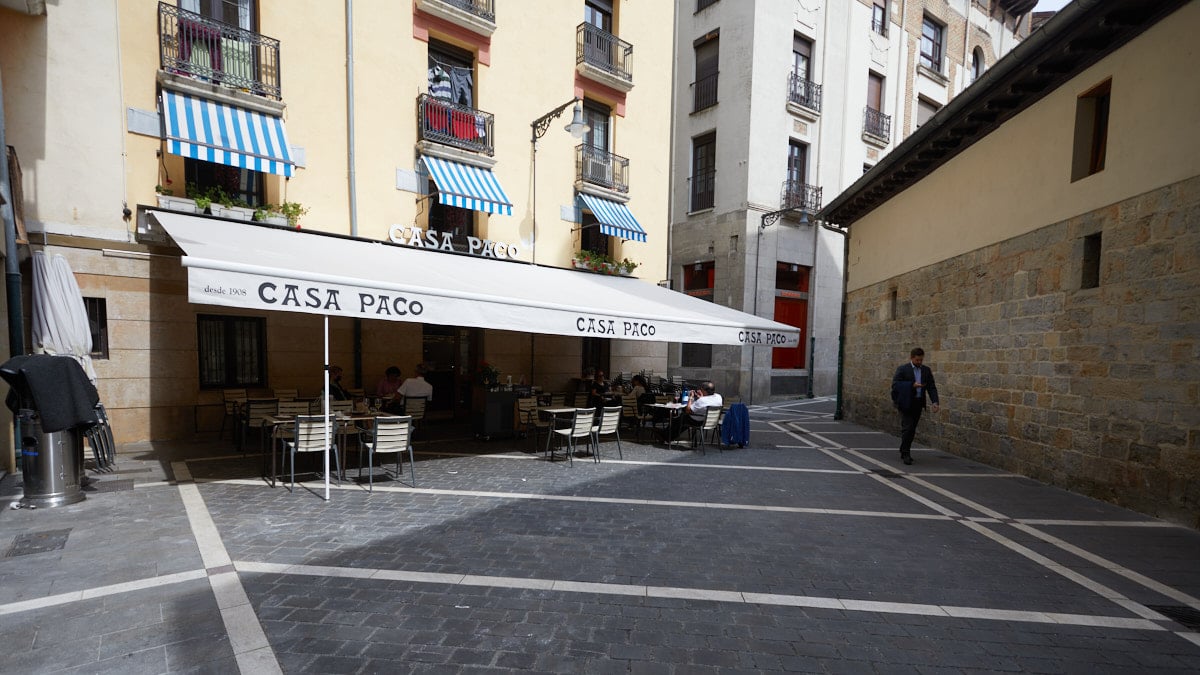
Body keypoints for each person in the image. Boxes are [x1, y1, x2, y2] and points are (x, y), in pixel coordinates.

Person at [890, 347, 940, 465]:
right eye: (917, 360)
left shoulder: (926, 371)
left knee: (912, 429)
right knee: (908, 427)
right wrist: (911, 385)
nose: (919, 362)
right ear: (912, 358)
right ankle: (906, 453)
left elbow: (931, 387)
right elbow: (895, 385)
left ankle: (903, 449)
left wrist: (935, 402)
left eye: (921, 360)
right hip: (906, 402)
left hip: (918, 403)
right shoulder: (903, 369)